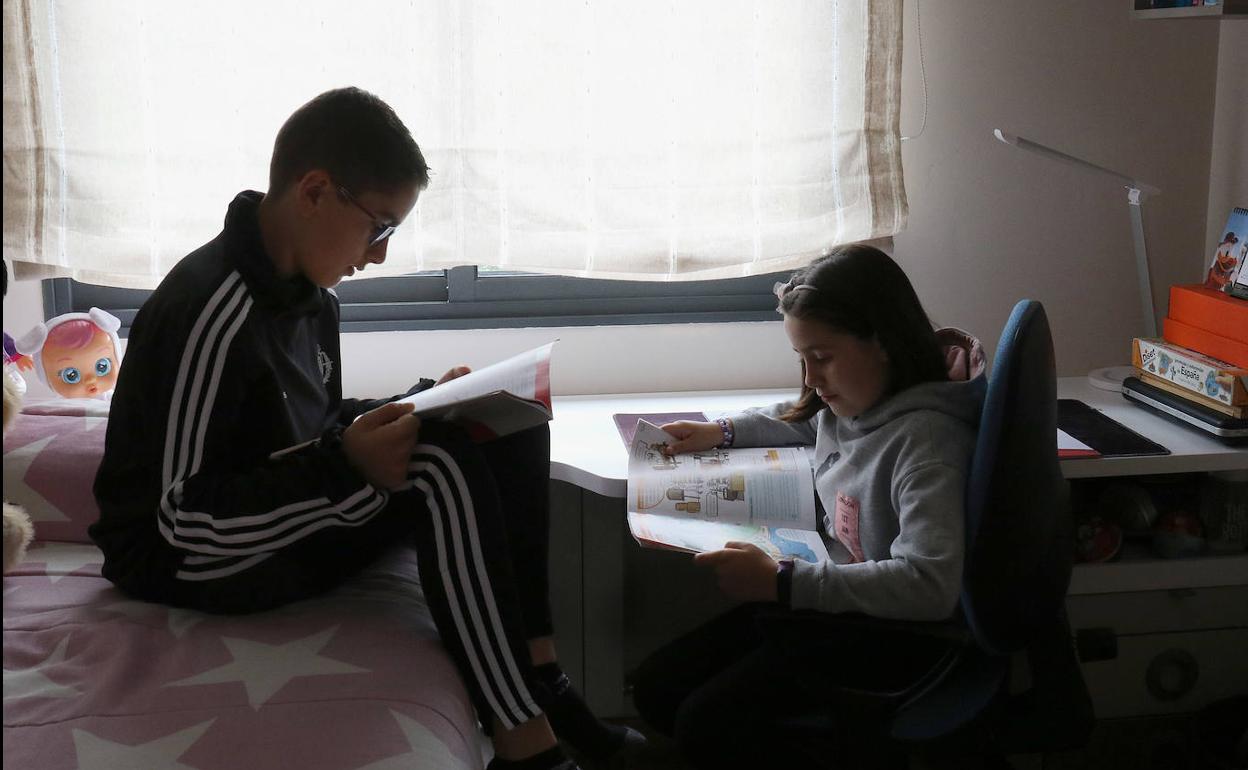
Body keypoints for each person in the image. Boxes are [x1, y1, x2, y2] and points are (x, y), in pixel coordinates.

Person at [89, 87, 640, 770]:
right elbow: (176, 522)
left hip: (266, 517)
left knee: (505, 417)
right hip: (188, 562)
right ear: (315, 192)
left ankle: (542, 677)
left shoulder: (309, 296)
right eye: (379, 228)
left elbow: (305, 427)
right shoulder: (212, 310)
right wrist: (346, 467)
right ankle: (522, 740)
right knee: (436, 468)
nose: (378, 256)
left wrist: (415, 405)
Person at [630, 245, 987, 769]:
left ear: (883, 341)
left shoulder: (927, 444)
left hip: (896, 634)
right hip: (836, 600)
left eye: (821, 358)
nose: (811, 377)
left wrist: (781, 583)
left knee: (705, 725)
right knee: (657, 688)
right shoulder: (862, 397)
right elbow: (806, 417)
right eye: (801, 359)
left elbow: (930, 586)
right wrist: (722, 430)